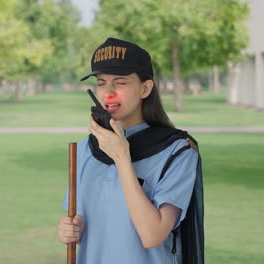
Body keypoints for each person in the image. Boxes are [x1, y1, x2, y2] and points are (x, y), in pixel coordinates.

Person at [57, 37, 202, 264]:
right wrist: (72, 229)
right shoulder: (85, 149)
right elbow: (89, 218)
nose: (108, 93)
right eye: (102, 82)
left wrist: (122, 157)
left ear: (145, 88)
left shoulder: (178, 151)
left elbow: (152, 235)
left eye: (120, 82)